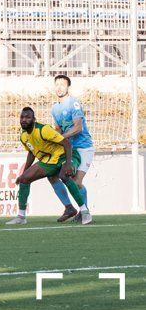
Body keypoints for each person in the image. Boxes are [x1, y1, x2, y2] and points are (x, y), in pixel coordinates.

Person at [6, 107, 92, 225]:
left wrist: (68, 163)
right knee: (24, 179)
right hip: (50, 160)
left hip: (66, 155)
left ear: (34, 119)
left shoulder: (44, 130)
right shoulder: (23, 136)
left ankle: (84, 211)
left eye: (27, 117)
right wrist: (24, 172)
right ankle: (21, 217)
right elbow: (31, 152)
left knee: (64, 175)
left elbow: (66, 144)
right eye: (22, 117)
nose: (24, 120)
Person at [48, 74, 94, 223]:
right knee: (53, 175)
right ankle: (70, 208)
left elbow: (78, 127)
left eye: (63, 84)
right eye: (57, 84)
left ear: (68, 87)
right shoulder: (55, 108)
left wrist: (61, 138)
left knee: (76, 181)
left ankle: (84, 212)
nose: (59, 87)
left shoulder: (73, 103)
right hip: (69, 150)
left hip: (83, 148)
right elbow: (58, 130)